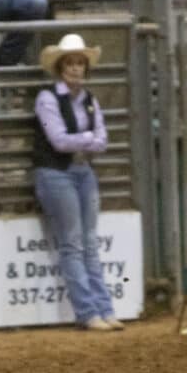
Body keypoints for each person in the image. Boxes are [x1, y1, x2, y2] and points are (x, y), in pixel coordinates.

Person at [32, 34, 122, 332]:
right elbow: (58, 141)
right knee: (74, 243)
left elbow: (102, 140)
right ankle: (89, 312)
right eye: (70, 63)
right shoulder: (47, 98)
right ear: (61, 66)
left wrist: (84, 142)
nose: (76, 68)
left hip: (80, 172)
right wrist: (87, 139)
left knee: (88, 243)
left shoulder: (89, 100)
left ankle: (103, 310)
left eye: (80, 63)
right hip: (56, 173)